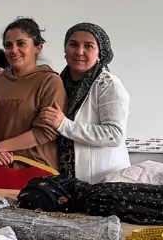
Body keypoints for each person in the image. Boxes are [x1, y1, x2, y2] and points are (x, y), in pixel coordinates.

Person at [38, 23, 130, 183]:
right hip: (65, 180)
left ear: (100, 53)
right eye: (73, 44)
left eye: (88, 46)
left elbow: (114, 135)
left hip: (101, 181)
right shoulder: (58, 82)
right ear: (65, 50)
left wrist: (64, 125)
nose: (79, 52)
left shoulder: (108, 85)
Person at [0, 18, 66, 170]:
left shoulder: (50, 81)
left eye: (21, 43)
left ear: (38, 48)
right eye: (8, 45)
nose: (14, 50)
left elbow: (45, 131)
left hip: (35, 168)